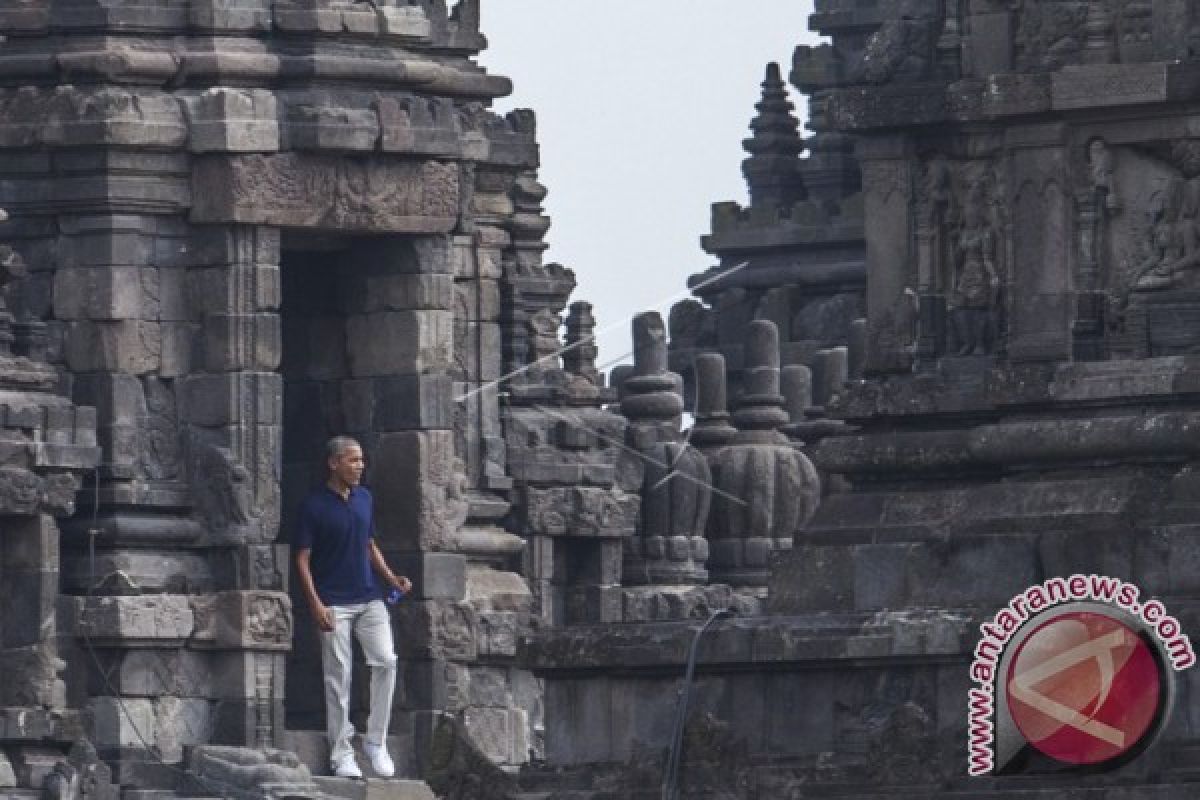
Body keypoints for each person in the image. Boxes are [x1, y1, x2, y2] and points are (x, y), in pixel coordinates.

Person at [293, 436, 413, 779]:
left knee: (387, 660)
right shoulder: (313, 505)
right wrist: (315, 604)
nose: (360, 466)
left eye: (362, 460)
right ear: (333, 463)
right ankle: (341, 754)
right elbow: (302, 558)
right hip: (333, 602)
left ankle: (376, 740)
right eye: (353, 460)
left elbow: (368, 543)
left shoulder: (365, 499)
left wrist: (391, 579)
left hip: (369, 596)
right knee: (338, 677)